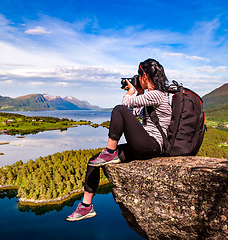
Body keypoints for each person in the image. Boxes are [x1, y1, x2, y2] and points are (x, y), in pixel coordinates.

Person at [65, 58, 172, 222]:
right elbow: (133, 114)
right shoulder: (150, 96)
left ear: (144, 74)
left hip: (153, 145)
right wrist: (139, 92)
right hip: (143, 145)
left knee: (118, 109)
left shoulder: (158, 95)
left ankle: (110, 151)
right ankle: (86, 206)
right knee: (94, 160)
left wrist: (130, 93)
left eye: (138, 74)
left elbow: (125, 105)